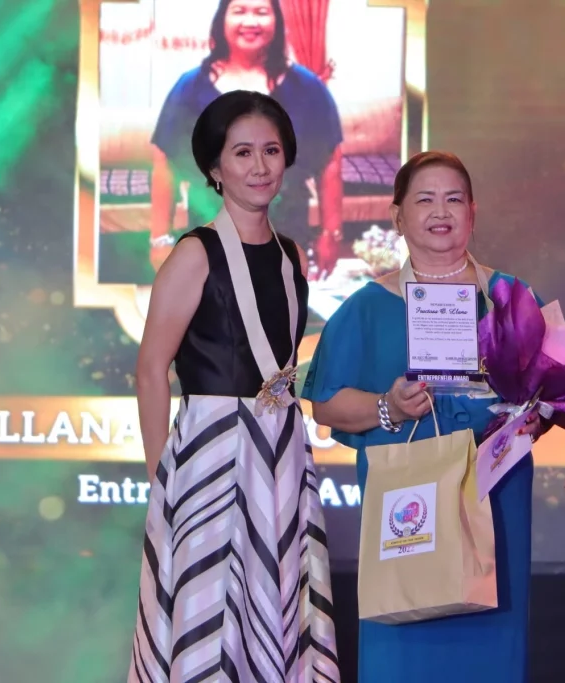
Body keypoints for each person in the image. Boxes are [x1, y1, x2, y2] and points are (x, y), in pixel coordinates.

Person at [302, 151, 545, 682]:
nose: (442, 211)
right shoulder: (366, 306)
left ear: (473, 212)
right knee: (404, 648)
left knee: (489, 642)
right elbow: (325, 403)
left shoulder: (509, 298)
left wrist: (535, 417)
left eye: (454, 198)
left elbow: (550, 390)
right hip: (406, 507)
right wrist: (387, 406)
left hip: (492, 499)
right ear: (397, 217)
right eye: (425, 199)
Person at [129, 90, 338, 683]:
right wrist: (161, 479)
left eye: (271, 150)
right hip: (210, 451)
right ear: (215, 168)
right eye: (242, 152)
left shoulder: (292, 257)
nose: (259, 165)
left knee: (279, 610)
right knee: (209, 618)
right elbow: (151, 368)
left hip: (282, 451)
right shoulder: (193, 253)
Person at [148, 0, 344, 278]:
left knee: (279, 315)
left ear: (276, 21)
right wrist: (160, 239)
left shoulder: (306, 87)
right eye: (239, 11)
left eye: (261, 12)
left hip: (286, 233)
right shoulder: (191, 88)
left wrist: (331, 233)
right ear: (222, 21)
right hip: (209, 234)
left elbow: (331, 160)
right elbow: (164, 162)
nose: (250, 21)